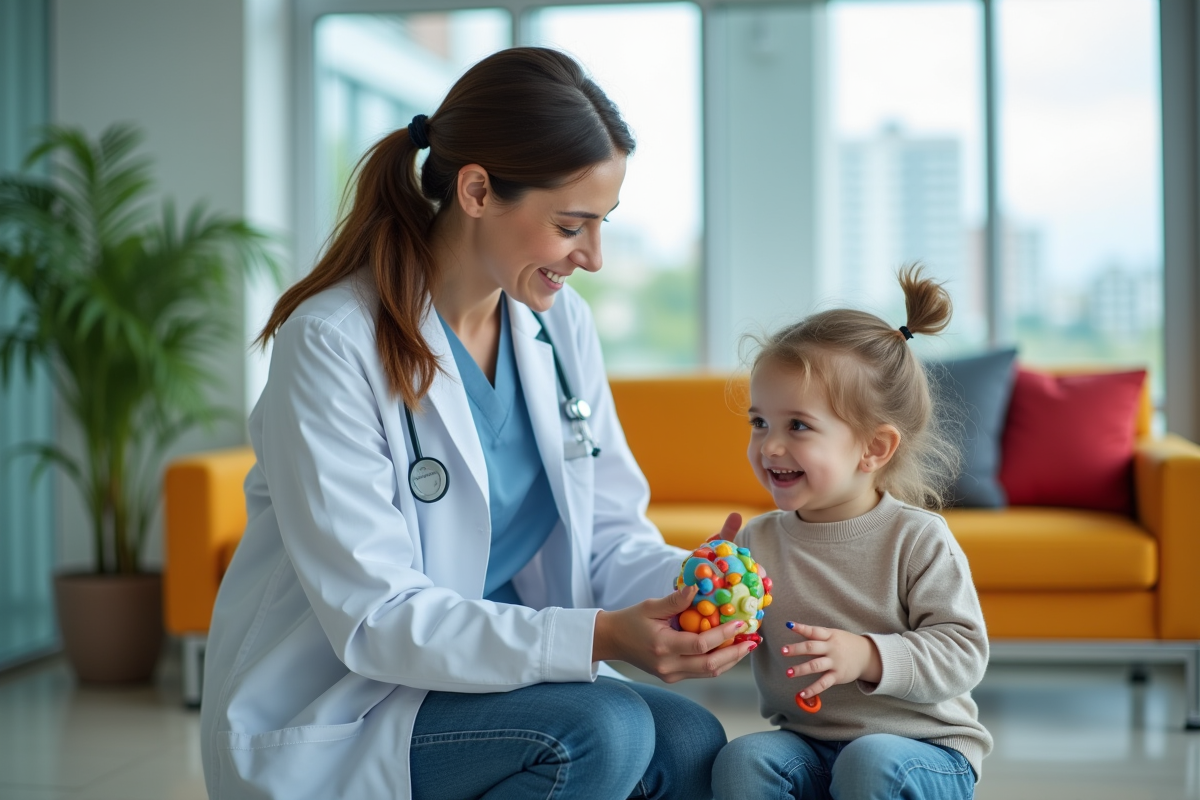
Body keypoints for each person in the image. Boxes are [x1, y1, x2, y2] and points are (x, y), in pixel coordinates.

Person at [199, 47, 754, 800]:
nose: (592, 256)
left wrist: (691, 585)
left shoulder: (561, 328)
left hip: (490, 677)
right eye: (572, 225)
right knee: (601, 731)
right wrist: (599, 637)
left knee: (691, 740)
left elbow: (609, 536)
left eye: (602, 225)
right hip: (354, 702)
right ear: (478, 190)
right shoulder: (332, 342)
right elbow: (378, 620)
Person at [711, 267, 993, 799]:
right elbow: (733, 640)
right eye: (759, 423)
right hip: (809, 743)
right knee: (744, 759)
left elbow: (963, 653)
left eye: (797, 425)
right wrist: (714, 593)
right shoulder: (756, 541)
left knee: (869, 761)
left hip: (924, 750)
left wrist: (867, 656)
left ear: (874, 448)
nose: (769, 446)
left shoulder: (917, 539)